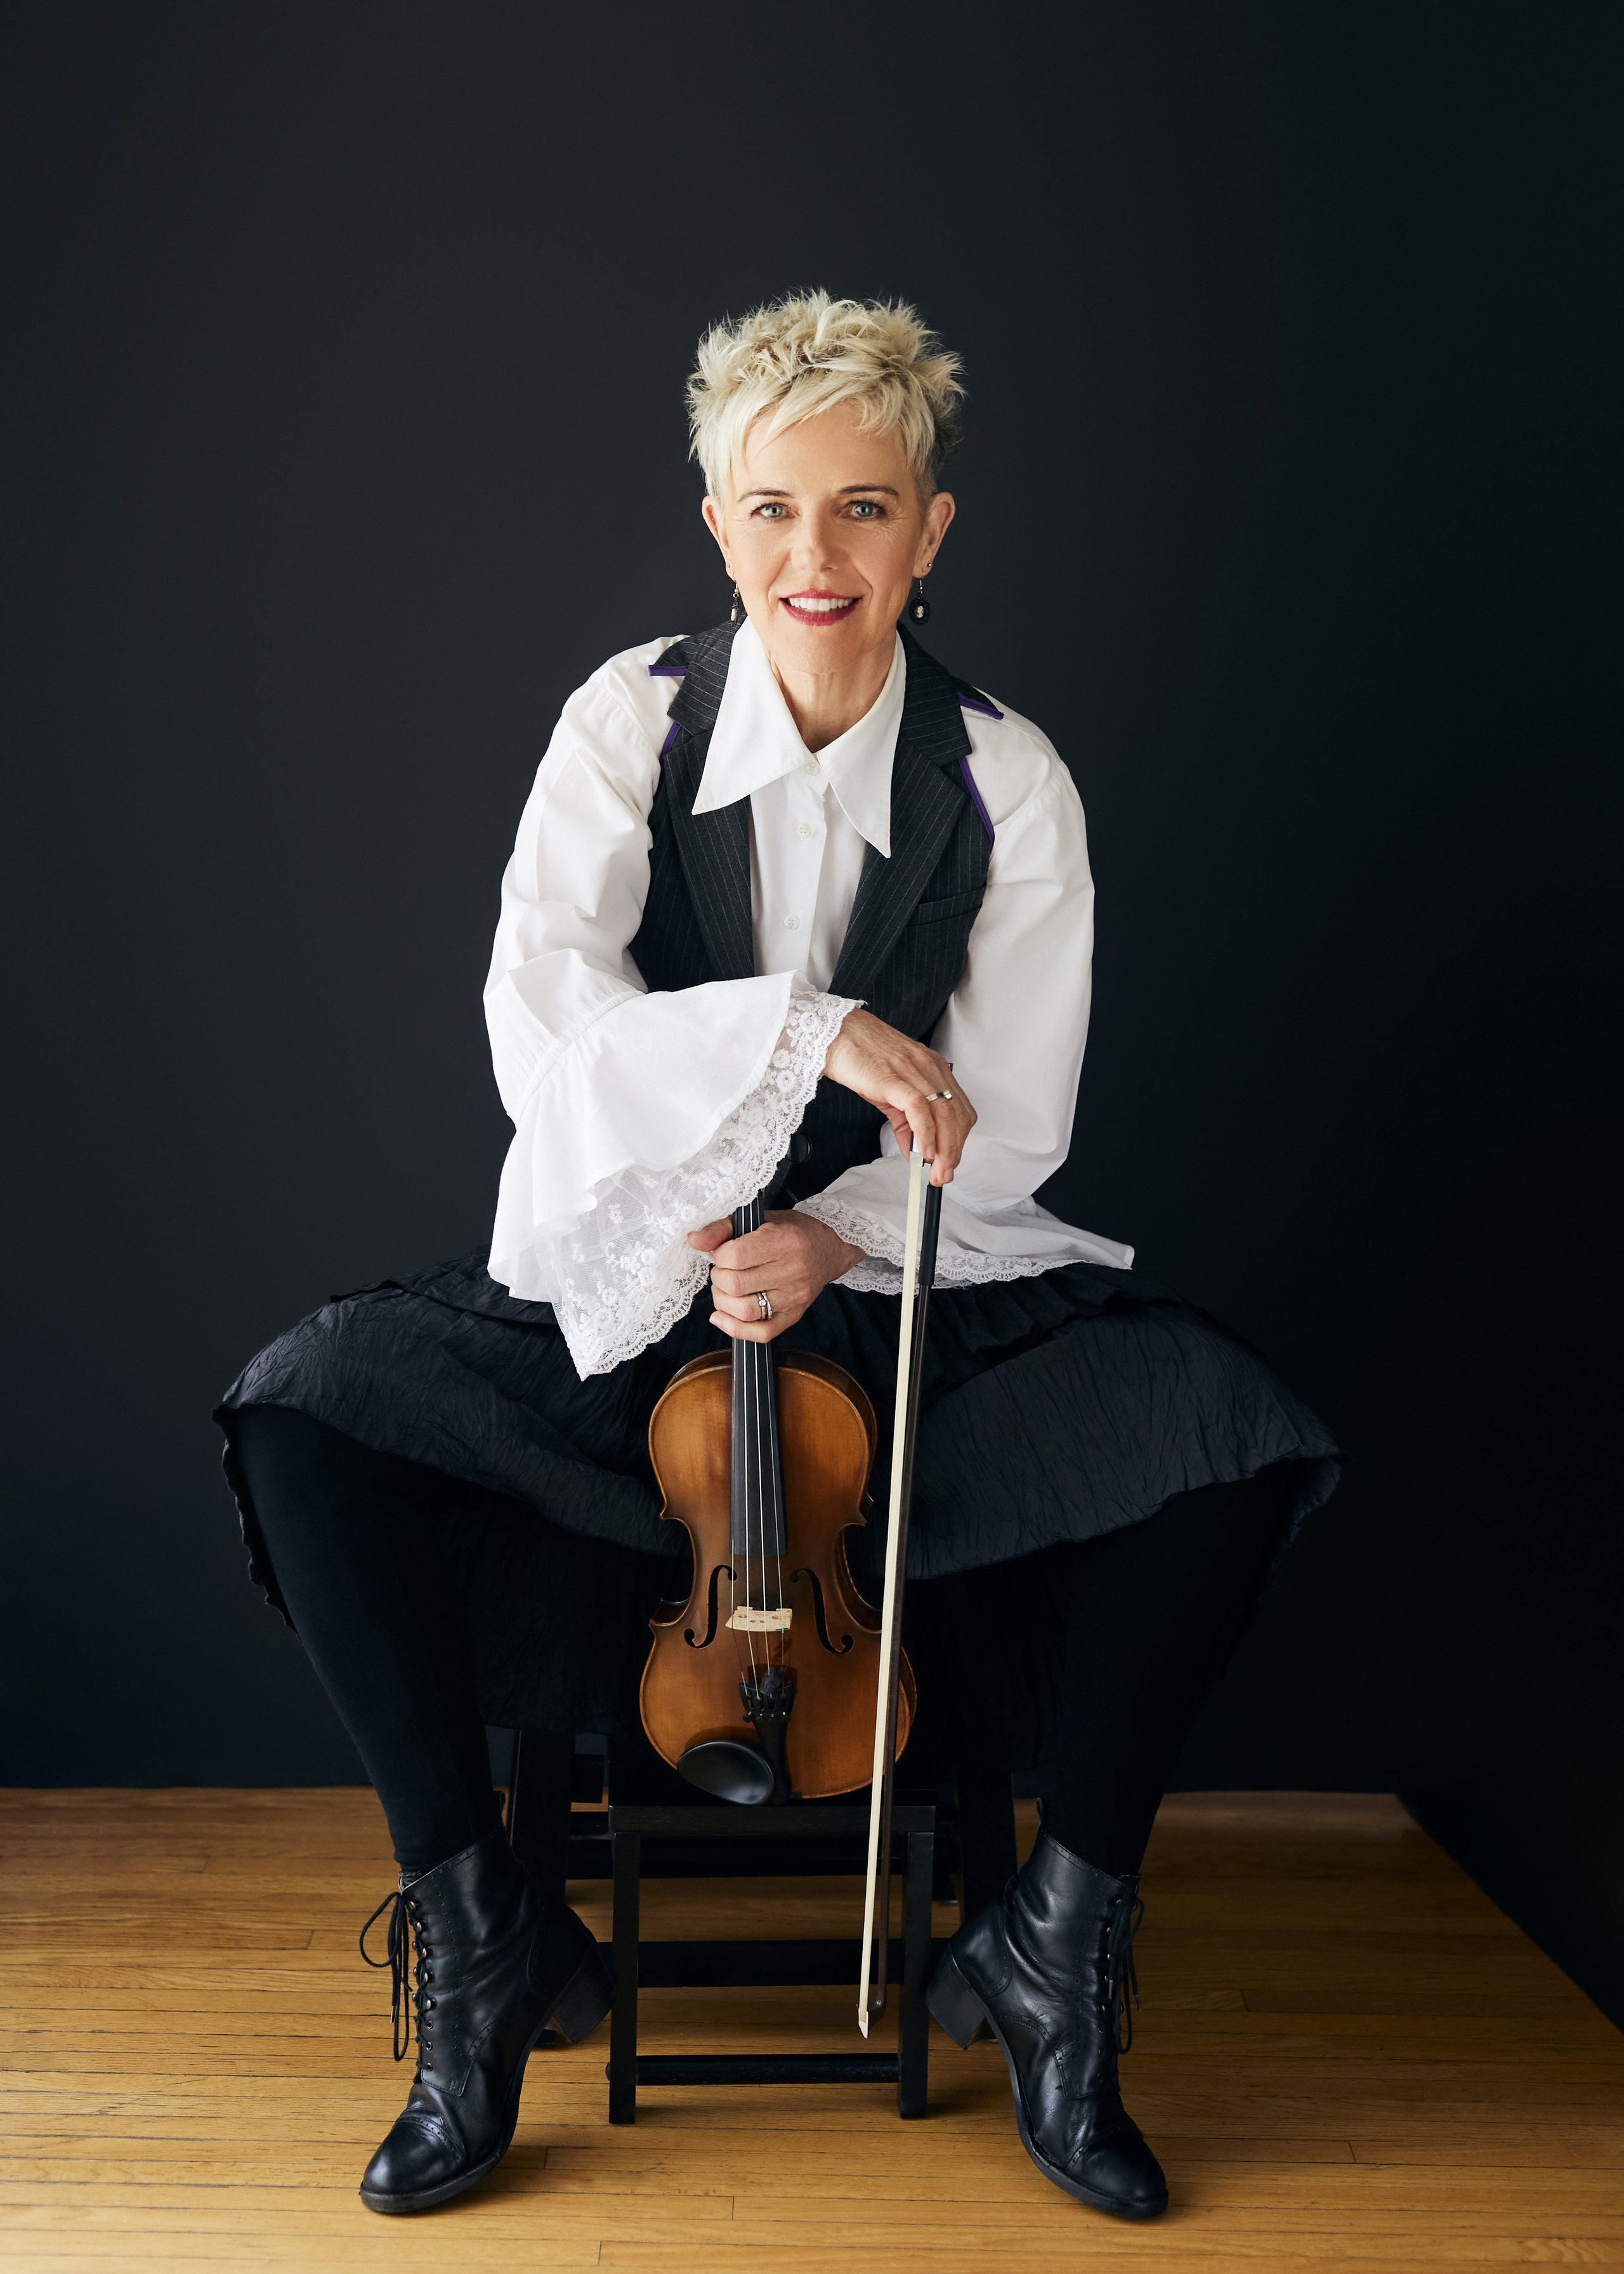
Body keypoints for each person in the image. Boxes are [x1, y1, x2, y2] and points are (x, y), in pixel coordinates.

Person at [218, 291, 1338, 2224]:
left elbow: (1023, 1125)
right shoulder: (626, 723)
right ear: (719, 519)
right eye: (773, 510)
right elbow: (543, 1035)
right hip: (648, 1282)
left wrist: (837, 1230)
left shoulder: (1011, 783)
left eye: (865, 509)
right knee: (308, 1412)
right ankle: (488, 1941)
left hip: (913, 1293)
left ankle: (1054, 1954)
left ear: (932, 530)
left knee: (1225, 1428)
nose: (815, 559)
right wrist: (790, 1054)